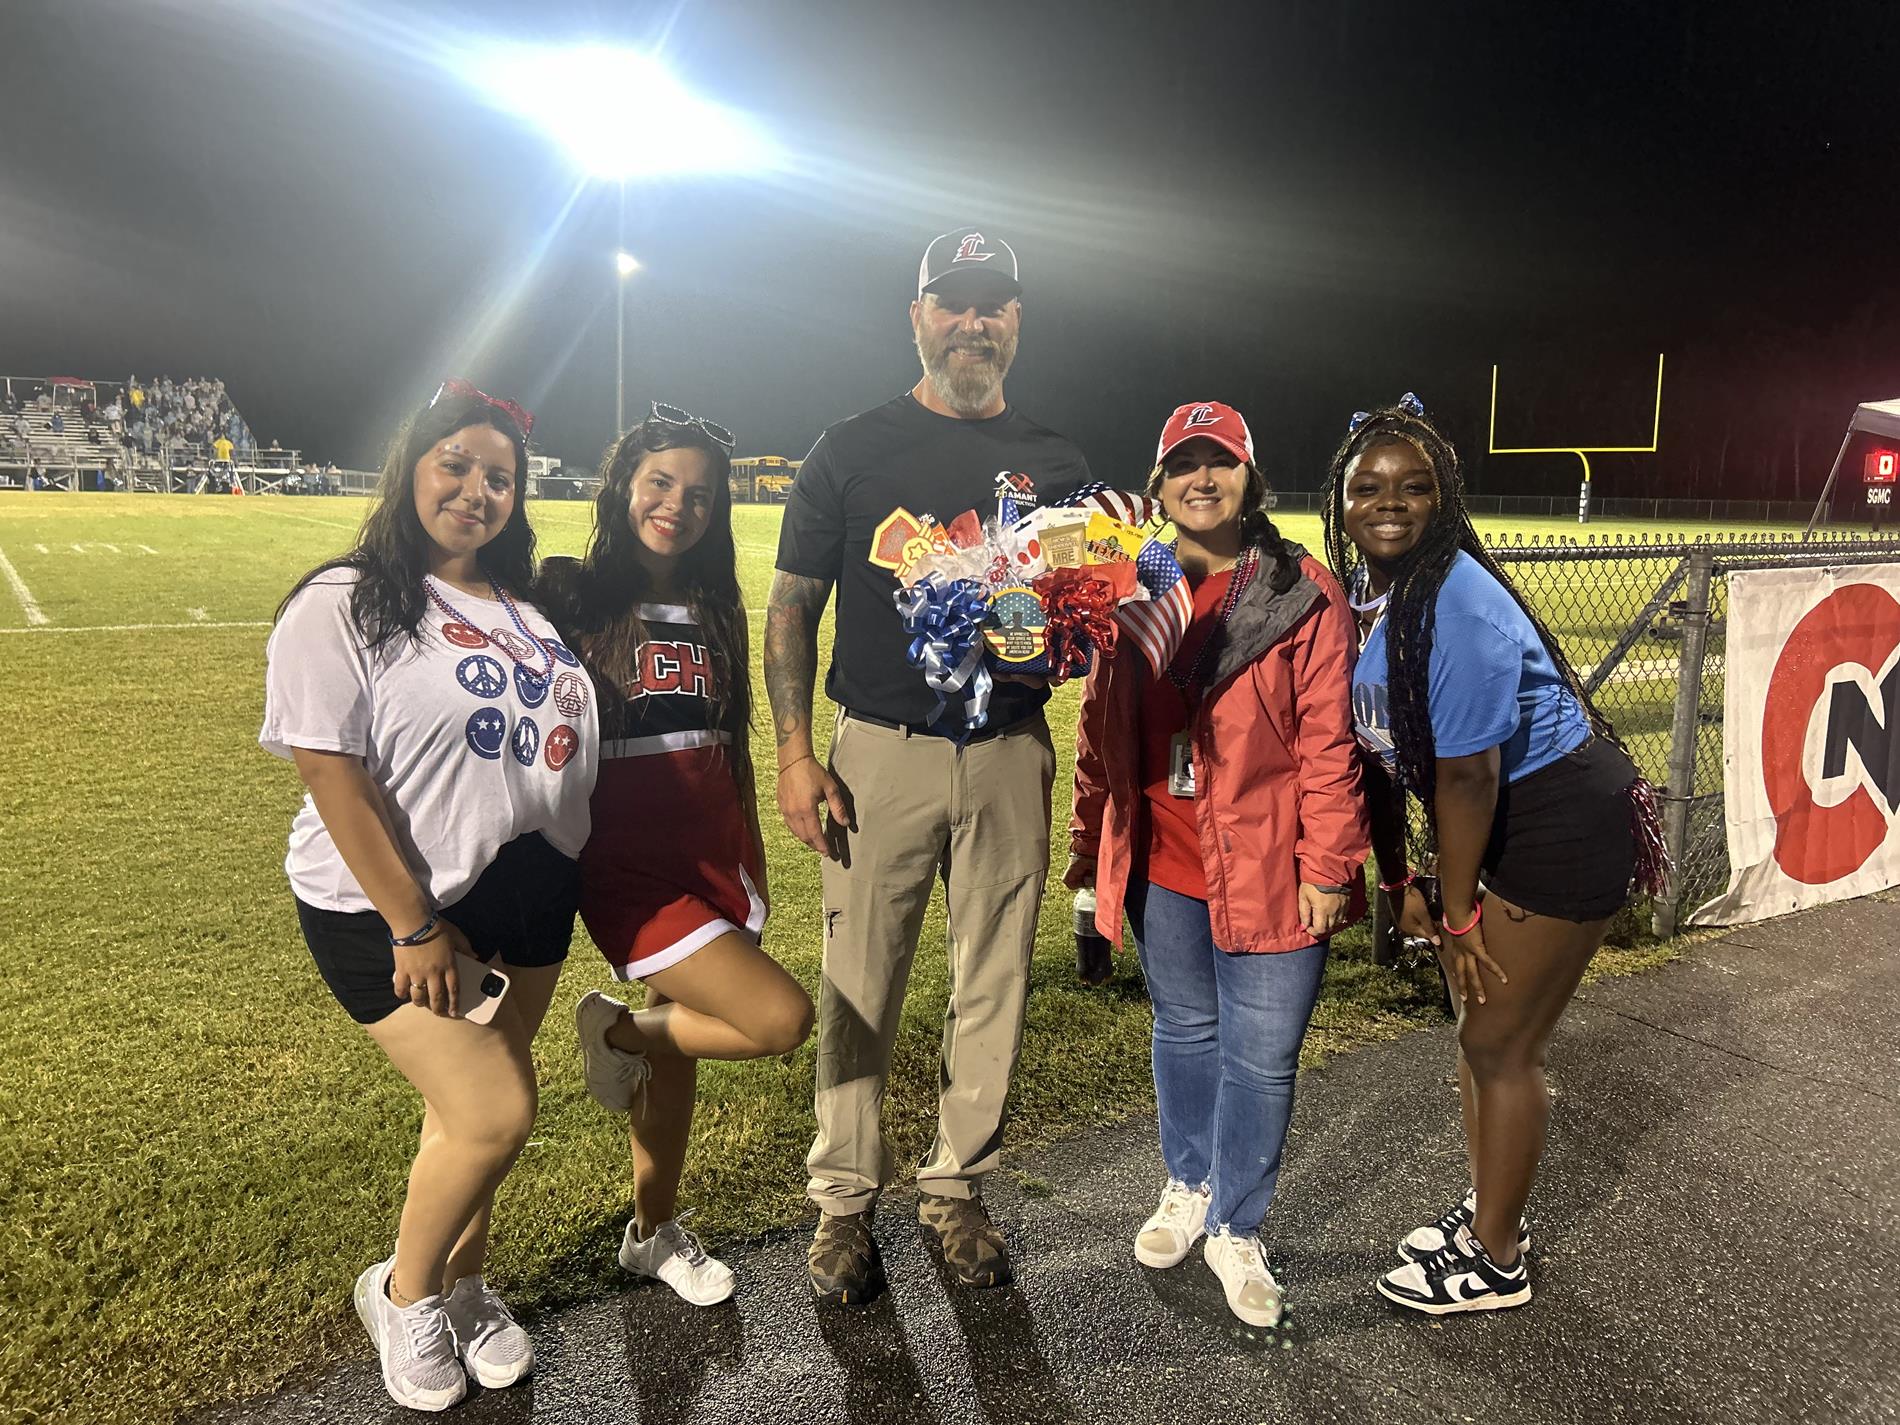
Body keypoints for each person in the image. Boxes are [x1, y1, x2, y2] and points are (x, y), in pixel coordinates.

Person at [768, 226, 1092, 1304]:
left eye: (990, 304)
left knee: (991, 978)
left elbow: (1074, 618)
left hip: (1008, 751)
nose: (971, 322)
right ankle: (843, 1201)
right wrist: (793, 753)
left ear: (1015, 323)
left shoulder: (1059, 464)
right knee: (862, 983)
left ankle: (956, 1186)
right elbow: (790, 610)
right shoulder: (850, 446)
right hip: (880, 754)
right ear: (917, 315)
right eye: (950, 302)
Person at [260, 379, 596, 1411]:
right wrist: (412, 922)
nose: (476, 489)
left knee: (458, 1122)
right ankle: (403, 1297)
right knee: (494, 1113)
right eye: (454, 463)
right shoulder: (343, 601)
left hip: (530, 891)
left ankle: (464, 1286)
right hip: (398, 911)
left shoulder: (524, 602)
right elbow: (332, 774)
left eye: (499, 476)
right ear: (410, 466)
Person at [1324, 395, 1665, 1316]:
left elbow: (1467, 777)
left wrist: (1460, 912)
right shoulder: (1378, 593)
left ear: (1445, 497)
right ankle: (1489, 1210)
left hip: (1554, 823)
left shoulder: (1455, 596)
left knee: (1497, 1041)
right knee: (1482, 1039)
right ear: (1342, 498)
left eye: (1414, 485)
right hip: (1507, 820)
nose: (1389, 501)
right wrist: (1401, 880)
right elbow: (1387, 759)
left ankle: (1499, 1258)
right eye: (1369, 486)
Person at [1064, 402, 1368, 1328]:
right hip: (1164, 863)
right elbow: (1096, 730)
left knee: (1262, 1059)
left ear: (1250, 478)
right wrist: (1086, 855)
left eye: (1221, 463)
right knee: (1184, 1030)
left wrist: (1328, 867)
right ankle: (1188, 1183)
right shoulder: (1126, 581)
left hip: (1272, 866)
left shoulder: (1301, 589)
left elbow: (1329, 745)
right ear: (1156, 484)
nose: (1202, 479)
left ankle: (1238, 1224)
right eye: (1183, 464)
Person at [544, 404, 813, 1308]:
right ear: (622, 483)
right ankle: (611, 1029)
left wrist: (749, 853)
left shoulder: (715, 602)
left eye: (699, 493)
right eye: (660, 482)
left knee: (679, 1059)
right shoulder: (568, 593)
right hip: (627, 870)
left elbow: (726, 740)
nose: (677, 504)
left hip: (710, 855)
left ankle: (651, 1232)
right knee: (778, 1018)